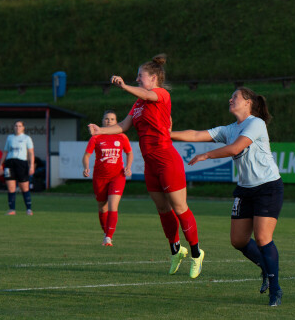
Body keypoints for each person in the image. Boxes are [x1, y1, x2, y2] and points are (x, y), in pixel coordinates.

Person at [88, 54, 205, 279]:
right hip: (150, 163)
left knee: (180, 208)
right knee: (163, 209)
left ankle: (196, 253)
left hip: (166, 159)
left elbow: (146, 93)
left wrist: (124, 85)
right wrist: (100, 130)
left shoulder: (161, 94)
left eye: (140, 76)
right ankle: (175, 250)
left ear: (153, 78)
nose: (137, 79)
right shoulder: (138, 104)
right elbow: (123, 125)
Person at [170, 87, 284, 306]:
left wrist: (207, 155)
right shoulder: (230, 128)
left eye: (235, 97)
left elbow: (235, 149)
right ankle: (265, 267)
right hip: (245, 189)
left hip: (268, 187)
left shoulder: (256, 123)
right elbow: (196, 135)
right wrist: (166, 133)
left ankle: (275, 290)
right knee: (238, 240)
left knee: (262, 238)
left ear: (248, 102)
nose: (230, 99)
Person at [83, 110, 134, 247]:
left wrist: (128, 167)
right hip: (100, 177)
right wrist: (86, 167)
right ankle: (106, 233)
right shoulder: (96, 138)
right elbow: (86, 156)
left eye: (112, 119)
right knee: (102, 207)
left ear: (116, 122)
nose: (109, 121)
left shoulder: (122, 137)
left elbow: (129, 153)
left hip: (117, 176)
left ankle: (108, 238)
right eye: (106, 119)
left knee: (113, 205)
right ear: (102, 121)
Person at [0, 120, 35, 215]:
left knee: (24, 187)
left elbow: (31, 153)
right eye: (16, 126)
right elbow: (5, 151)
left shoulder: (27, 138)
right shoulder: (10, 138)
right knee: (11, 187)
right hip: (10, 163)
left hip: (21, 163)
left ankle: (29, 209)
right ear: (13, 127)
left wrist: (31, 166)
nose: (17, 127)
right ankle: (12, 210)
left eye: (19, 126)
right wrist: (1, 164)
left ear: (23, 128)